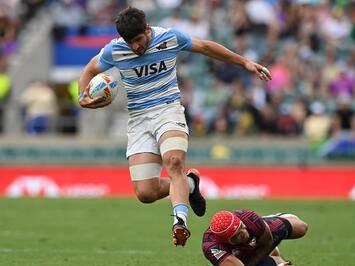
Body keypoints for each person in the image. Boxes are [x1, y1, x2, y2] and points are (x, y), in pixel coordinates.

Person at [78, 7, 272, 247]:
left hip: (168, 109)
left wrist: (244, 63)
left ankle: (180, 221)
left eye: (138, 40)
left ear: (147, 30)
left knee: (173, 162)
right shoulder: (114, 50)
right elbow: (89, 69)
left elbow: (206, 47)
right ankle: (190, 185)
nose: (135, 47)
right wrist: (83, 98)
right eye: (130, 43)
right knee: (146, 193)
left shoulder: (169, 37)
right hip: (138, 119)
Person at [202, 209, 308, 266]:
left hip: (259, 236)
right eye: (236, 236)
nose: (243, 234)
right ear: (225, 241)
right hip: (239, 255)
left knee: (301, 228)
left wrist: (251, 265)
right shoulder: (211, 246)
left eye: (241, 227)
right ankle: (273, 257)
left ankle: (269, 219)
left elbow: (267, 242)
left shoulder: (248, 218)